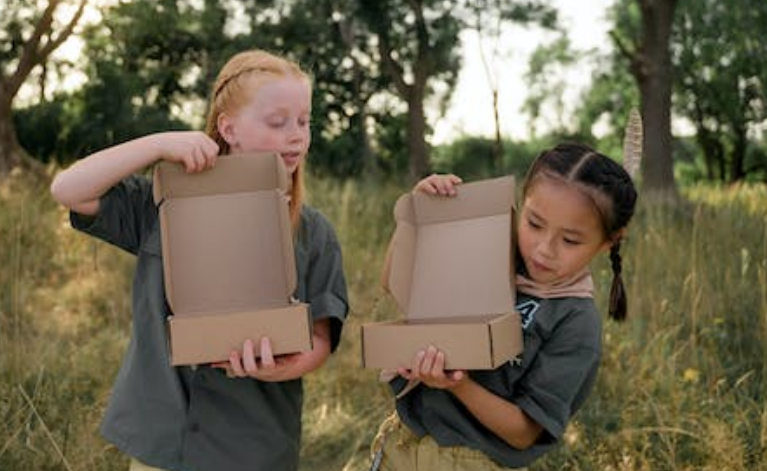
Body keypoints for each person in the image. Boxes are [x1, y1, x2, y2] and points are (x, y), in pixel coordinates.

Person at [50, 49, 349, 471]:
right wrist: (157, 144)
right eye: (278, 122)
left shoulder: (314, 233)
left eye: (304, 121)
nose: (297, 136)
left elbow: (321, 338)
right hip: (162, 444)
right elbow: (68, 189)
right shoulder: (164, 204)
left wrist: (277, 368)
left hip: (251, 447)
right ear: (228, 128)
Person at [369, 142, 637, 470]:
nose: (543, 250)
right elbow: (395, 284)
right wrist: (416, 215)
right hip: (402, 443)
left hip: (471, 462)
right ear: (520, 205)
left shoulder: (575, 323)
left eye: (570, 240)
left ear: (610, 241)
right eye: (534, 224)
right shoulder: (490, 253)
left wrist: (458, 385)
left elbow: (523, 433)